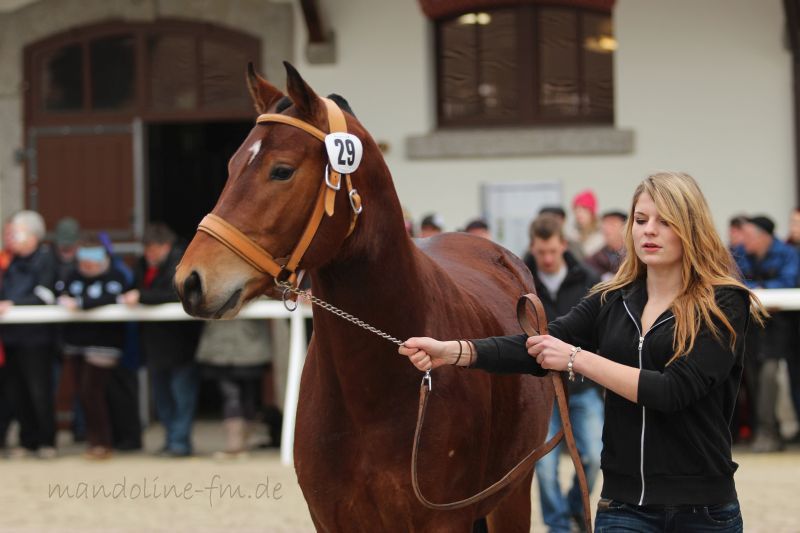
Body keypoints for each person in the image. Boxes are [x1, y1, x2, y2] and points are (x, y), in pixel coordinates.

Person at [400, 171, 766, 532]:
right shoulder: (611, 299)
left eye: (664, 221)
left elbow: (674, 391)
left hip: (703, 511)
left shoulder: (724, 303)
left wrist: (576, 358)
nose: (648, 230)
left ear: (690, 228)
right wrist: (453, 351)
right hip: (625, 508)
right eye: (640, 219)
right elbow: (538, 346)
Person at [523, 213, 602, 533]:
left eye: (553, 251)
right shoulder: (521, 280)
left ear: (564, 245)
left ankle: (573, 509)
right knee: (543, 464)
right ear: (532, 248)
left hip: (582, 384)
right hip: (539, 388)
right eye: (541, 252)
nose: (547, 258)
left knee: (594, 456)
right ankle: (557, 525)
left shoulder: (588, 279)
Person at [119, 223, 202, 457]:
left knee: (181, 394)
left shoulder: (182, 264)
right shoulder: (143, 265)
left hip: (180, 342)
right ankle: (171, 439)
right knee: (163, 396)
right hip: (154, 343)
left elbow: (175, 293)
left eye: (153, 249)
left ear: (165, 246)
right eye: (147, 250)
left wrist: (142, 296)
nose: (149, 254)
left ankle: (180, 442)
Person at [57, 236, 131, 459]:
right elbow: (61, 294)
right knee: (83, 393)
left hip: (104, 344)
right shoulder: (73, 275)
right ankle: (94, 441)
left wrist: (80, 304)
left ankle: (103, 442)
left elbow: (111, 298)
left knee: (93, 392)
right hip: (76, 344)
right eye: (83, 264)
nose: (86, 268)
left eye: (91, 264)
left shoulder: (116, 275)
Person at [733, 215, 799, 453]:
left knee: (774, 376)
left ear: (764, 237)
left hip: (782, 329)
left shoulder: (787, 254)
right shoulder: (741, 253)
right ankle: (761, 431)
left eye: (749, 236)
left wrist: (760, 290)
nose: (744, 241)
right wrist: (756, 291)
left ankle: (776, 431)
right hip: (753, 328)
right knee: (751, 376)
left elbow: (790, 281)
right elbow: (734, 280)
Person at [0, 210, 58, 458]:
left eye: (17, 231)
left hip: (36, 339)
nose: (11, 237)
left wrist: (13, 304)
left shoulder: (45, 258)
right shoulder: (9, 261)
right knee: (16, 392)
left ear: (33, 235)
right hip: (11, 338)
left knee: (39, 391)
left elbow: (44, 295)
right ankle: (27, 440)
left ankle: (47, 441)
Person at [195, 320, 273, 459]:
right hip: (220, 346)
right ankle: (235, 444)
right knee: (231, 396)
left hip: (250, 344)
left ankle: (241, 442)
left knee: (248, 396)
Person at [587, 210, 627, 281]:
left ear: (625, 227)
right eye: (604, 224)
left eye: (612, 224)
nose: (606, 229)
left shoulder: (634, 256)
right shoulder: (594, 259)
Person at [567, 189, 604, 259]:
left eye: (584, 208)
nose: (579, 213)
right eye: (576, 209)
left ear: (592, 212)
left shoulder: (603, 235)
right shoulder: (571, 235)